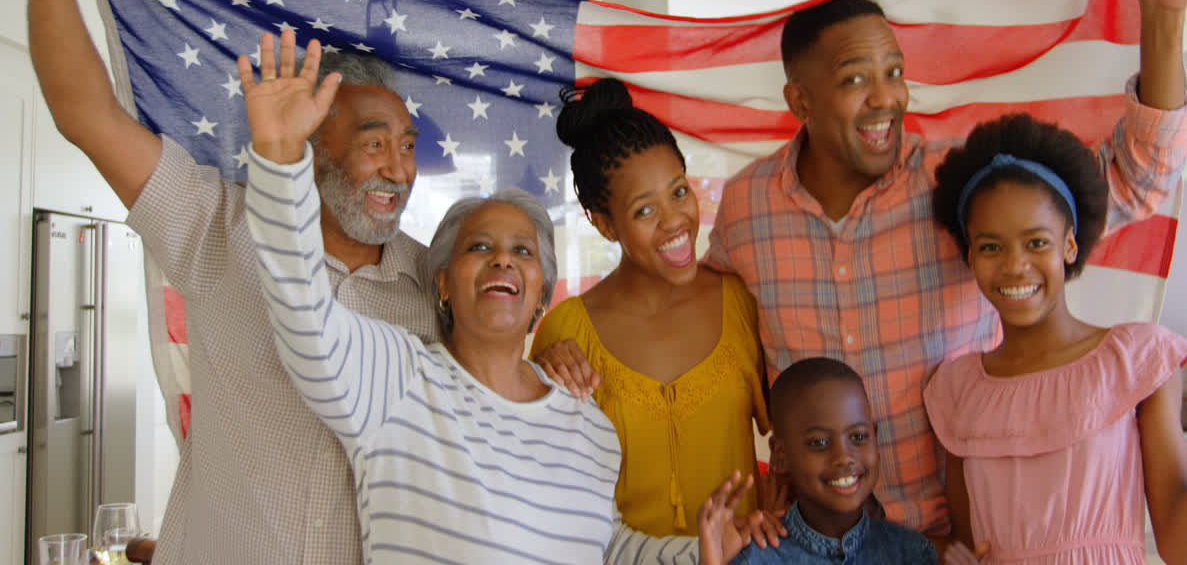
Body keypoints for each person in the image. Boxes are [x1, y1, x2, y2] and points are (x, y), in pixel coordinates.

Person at [702, 0, 1187, 537]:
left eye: (895, 72)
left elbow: (1138, 178)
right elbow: (698, 317)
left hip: (959, 543)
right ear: (799, 99)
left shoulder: (956, 182)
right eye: (857, 79)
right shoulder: (746, 207)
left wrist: (1164, 16)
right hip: (812, 541)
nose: (888, 97)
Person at [0, 0, 437, 562]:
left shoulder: (437, 287)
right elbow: (87, 115)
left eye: (409, 145)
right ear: (313, 144)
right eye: (374, 142)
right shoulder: (218, 226)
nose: (399, 168)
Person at [237, 49, 782, 564]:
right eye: (479, 247)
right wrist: (282, 158)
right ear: (444, 284)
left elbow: (607, 548)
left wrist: (704, 550)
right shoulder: (397, 377)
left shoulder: (584, 420)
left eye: (523, 251)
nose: (502, 260)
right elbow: (304, 314)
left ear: (541, 295)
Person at [923, 113, 1187, 565]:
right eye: (992, 246)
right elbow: (969, 547)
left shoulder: (1134, 362)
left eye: (1036, 243)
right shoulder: (958, 391)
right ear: (970, 254)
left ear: (1069, 245)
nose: (1015, 266)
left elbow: (1183, 546)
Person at [529, 78, 771, 536]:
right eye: (644, 210)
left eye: (678, 192)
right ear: (604, 225)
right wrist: (533, 381)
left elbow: (798, 429)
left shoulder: (741, 302)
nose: (674, 221)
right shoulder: (566, 334)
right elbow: (542, 481)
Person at [699, 357, 936, 564]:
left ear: (875, 438)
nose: (843, 456)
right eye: (819, 442)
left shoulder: (912, 553)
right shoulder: (754, 558)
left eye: (858, 437)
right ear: (780, 455)